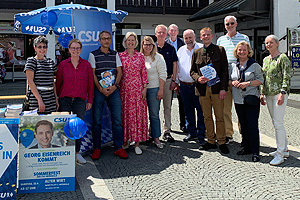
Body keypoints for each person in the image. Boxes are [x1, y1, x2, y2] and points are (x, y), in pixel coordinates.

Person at [88, 30, 128, 159]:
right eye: (104, 39)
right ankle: (97, 148)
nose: (106, 41)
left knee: (117, 121)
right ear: (99, 41)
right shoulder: (93, 55)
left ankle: (118, 147)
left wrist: (115, 86)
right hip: (99, 92)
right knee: (97, 121)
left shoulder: (115, 54)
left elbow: (119, 72)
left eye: (108, 38)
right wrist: (100, 89)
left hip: (113, 90)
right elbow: (92, 74)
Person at [190, 27, 229, 154]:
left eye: (208, 35)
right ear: (200, 37)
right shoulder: (197, 52)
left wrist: (224, 88)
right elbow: (192, 71)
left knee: (219, 116)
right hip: (202, 89)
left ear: (212, 36)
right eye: (203, 35)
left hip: (217, 89)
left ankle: (222, 141)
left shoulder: (220, 50)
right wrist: (198, 78)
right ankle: (211, 140)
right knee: (206, 116)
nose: (206, 37)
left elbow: (224, 71)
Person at [56, 39, 94, 164]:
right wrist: (57, 99)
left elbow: (90, 85)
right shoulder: (62, 64)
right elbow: (58, 84)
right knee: (64, 127)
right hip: (65, 99)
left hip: (80, 100)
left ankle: (77, 153)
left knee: (78, 128)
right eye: (73, 48)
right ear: (69, 49)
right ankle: (65, 153)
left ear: (81, 50)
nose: (75, 50)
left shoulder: (86, 65)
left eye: (78, 48)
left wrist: (90, 100)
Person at [217, 16, 250, 144]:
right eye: (227, 24)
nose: (229, 25)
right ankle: (228, 134)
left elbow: (249, 55)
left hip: (240, 77)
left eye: (232, 23)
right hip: (226, 77)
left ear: (236, 24)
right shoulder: (221, 40)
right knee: (226, 109)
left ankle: (244, 135)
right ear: (225, 25)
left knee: (241, 107)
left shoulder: (244, 38)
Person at [260, 35, 291, 166]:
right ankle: (285, 149)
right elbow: (264, 77)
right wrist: (262, 93)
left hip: (279, 94)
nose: (269, 45)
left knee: (278, 123)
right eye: (267, 43)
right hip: (269, 94)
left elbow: (287, 76)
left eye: (271, 42)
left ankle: (280, 154)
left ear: (277, 43)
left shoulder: (283, 58)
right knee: (275, 122)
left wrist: (283, 92)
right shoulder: (266, 59)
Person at [230, 41, 263, 162]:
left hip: (251, 99)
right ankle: (246, 147)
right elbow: (229, 80)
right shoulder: (233, 65)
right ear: (236, 52)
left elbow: (261, 79)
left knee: (252, 125)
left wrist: (247, 83)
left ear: (248, 51)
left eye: (244, 50)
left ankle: (255, 152)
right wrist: (233, 83)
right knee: (243, 125)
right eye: (240, 50)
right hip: (238, 100)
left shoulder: (254, 65)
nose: (242, 52)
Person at [119, 32, 149, 155]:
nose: (130, 42)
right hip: (125, 90)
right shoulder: (120, 56)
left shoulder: (140, 56)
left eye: (132, 40)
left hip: (138, 90)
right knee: (125, 116)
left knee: (137, 115)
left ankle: (137, 143)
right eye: (128, 40)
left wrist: (145, 88)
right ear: (125, 42)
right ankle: (126, 141)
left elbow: (144, 72)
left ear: (135, 42)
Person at [177, 29, 206, 144]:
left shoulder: (201, 48)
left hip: (198, 85)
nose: (188, 40)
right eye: (186, 38)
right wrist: (177, 82)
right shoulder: (181, 50)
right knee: (188, 110)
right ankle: (192, 132)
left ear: (195, 36)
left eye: (190, 37)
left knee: (200, 110)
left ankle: (201, 133)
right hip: (184, 85)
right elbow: (178, 67)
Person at [141, 36, 167, 149]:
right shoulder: (139, 57)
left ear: (153, 46)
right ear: (142, 45)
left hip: (154, 89)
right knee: (141, 115)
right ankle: (142, 136)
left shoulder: (158, 57)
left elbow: (163, 74)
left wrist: (161, 90)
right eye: (145, 44)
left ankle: (156, 137)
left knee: (154, 114)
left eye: (150, 45)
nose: (148, 47)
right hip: (141, 90)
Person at [155, 24, 178, 142]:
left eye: (163, 32)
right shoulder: (151, 48)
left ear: (166, 34)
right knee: (154, 108)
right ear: (155, 34)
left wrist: (174, 80)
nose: (161, 34)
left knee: (167, 107)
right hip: (154, 82)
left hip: (168, 80)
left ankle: (167, 131)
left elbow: (175, 64)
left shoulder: (170, 48)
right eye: (159, 32)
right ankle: (152, 131)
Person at [24, 36, 58, 114]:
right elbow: (30, 82)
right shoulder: (31, 61)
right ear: (35, 48)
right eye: (39, 47)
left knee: (50, 123)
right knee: (38, 123)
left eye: (44, 47)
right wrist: (39, 100)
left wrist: (56, 98)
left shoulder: (50, 62)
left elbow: (52, 81)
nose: (42, 49)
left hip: (50, 98)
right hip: (37, 98)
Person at [166, 24, 187, 133]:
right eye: (171, 30)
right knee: (168, 103)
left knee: (182, 102)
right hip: (170, 76)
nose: (173, 32)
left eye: (175, 30)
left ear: (177, 32)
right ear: (168, 32)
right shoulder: (166, 44)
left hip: (181, 74)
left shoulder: (182, 43)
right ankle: (167, 127)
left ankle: (183, 124)